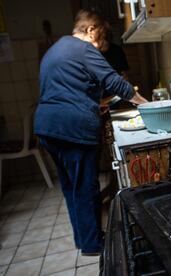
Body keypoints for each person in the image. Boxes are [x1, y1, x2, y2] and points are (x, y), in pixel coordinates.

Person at [34, 9, 147, 256]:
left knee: (71, 187)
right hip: (72, 129)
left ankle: (84, 239)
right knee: (85, 188)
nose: (102, 44)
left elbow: (63, 91)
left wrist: (94, 104)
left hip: (47, 127)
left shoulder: (54, 50)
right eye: (102, 37)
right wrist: (148, 106)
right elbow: (115, 82)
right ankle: (93, 245)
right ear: (91, 30)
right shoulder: (83, 48)